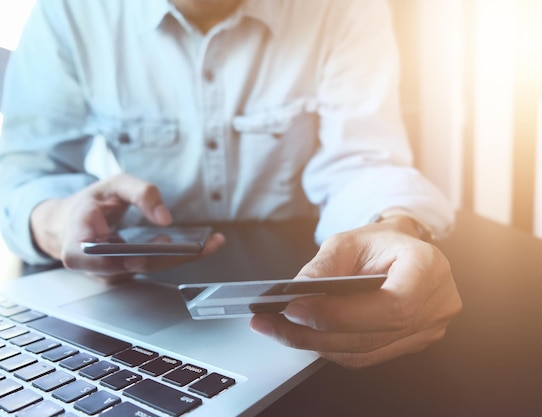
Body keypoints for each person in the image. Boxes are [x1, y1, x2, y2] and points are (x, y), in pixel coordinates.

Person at [0, 0, 461, 369]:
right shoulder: (68, 10)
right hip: (124, 297)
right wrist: (57, 220)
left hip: (297, 293)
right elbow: (26, 170)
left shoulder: (343, 7)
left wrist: (395, 226)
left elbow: (362, 159)